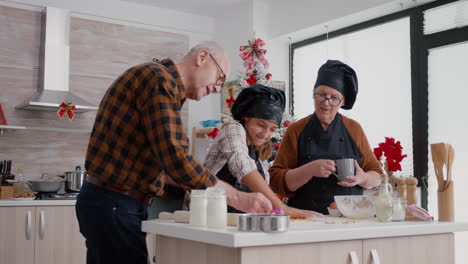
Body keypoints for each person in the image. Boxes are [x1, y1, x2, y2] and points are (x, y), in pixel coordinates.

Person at [75, 41, 273, 264]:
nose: (217, 88)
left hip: (112, 203)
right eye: (219, 78)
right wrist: (237, 197)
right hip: (115, 203)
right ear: (202, 57)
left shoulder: (161, 84)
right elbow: (176, 159)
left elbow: (157, 159)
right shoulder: (158, 79)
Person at [269, 60, 382, 214]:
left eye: (334, 98)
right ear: (313, 94)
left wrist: (363, 178)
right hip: (306, 218)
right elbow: (276, 181)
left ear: (342, 102)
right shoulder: (296, 130)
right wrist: (309, 170)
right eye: (321, 94)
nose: (326, 102)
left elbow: (378, 176)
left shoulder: (354, 129)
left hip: (349, 217)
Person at [203, 84, 322, 217]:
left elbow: (262, 188)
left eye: (272, 129)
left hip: (239, 220)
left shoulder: (261, 149)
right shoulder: (233, 129)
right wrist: (284, 209)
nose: (265, 134)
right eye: (261, 125)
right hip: (207, 214)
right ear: (246, 118)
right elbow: (243, 166)